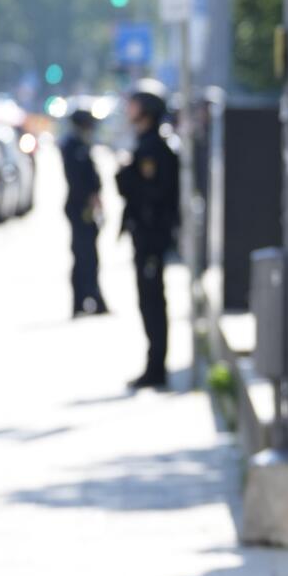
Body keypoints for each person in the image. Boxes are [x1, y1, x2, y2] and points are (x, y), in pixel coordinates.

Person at [116, 89, 179, 389]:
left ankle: (157, 369)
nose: (130, 109)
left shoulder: (154, 147)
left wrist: (126, 176)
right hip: (145, 234)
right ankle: (154, 365)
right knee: (147, 300)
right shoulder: (144, 143)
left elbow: (152, 192)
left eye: (135, 104)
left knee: (153, 301)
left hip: (152, 235)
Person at [60, 109, 108, 317]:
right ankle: (86, 298)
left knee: (88, 254)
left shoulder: (80, 144)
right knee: (84, 254)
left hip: (85, 207)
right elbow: (80, 181)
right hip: (80, 208)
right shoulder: (73, 146)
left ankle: (89, 298)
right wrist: (92, 199)